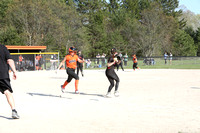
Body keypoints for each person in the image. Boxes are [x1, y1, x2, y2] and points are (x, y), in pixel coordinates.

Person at [0, 44, 20, 119]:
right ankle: (14, 110)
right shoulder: (3, 47)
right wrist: (14, 71)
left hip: (2, 74)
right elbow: (9, 60)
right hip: (2, 74)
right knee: (7, 92)